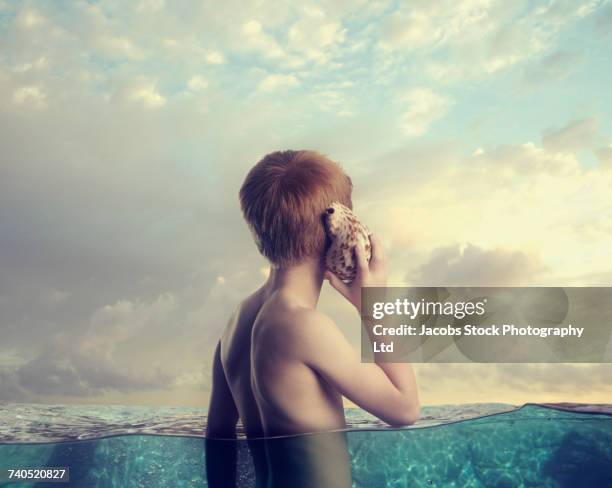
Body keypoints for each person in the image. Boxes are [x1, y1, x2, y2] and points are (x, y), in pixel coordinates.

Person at [206, 150, 419, 487]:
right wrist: (374, 305)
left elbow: (218, 438)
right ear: (340, 227)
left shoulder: (237, 322)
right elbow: (405, 409)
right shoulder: (303, 325)